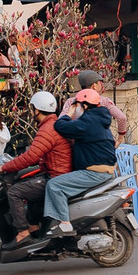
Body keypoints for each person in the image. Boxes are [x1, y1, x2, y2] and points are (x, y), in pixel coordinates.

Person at [0, 91, 72, 247]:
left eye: (31, 108)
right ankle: (33, 225)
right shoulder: (52, 124)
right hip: (56, 172)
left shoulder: (48, 129)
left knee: (15, 192)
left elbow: (30, 156)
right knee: (29, 183)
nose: (30, 112)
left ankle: (23, 232)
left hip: (56, 176)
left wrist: (5, 167)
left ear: (37, 110)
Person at [44, 88, 120, 236]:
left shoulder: (88, 122)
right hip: (104, 170)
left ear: (84, 106)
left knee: (54, 185)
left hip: (94, 172)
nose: (76, 109)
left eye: (77, 105)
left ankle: (64, 223)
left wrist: (68, 113)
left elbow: (60, 126)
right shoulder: (100, 119)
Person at [67, 69, 128, 144]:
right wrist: (119, 139)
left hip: (78, 146)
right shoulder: (104, 101)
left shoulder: (71, 102)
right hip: (101, 145)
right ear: (94, 86)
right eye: (99, 82)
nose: (101, 85)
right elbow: (122, 118)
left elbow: (62, 121)